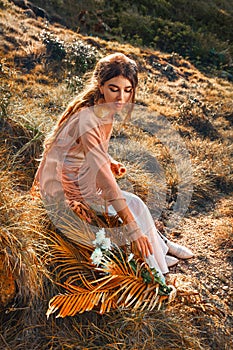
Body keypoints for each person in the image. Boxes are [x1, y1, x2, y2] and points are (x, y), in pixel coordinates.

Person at [33, 52, 193, 281]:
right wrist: (133, 230)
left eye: (128, 90)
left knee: (134, 203)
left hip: (81, 181)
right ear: (100, 85)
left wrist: (109, 161)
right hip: (66, 193)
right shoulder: (88, 117)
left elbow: (89, 151)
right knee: (132, 205)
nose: (121, 97)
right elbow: (105, 180)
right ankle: (155, 265)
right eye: (114, 88)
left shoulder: (100, 108)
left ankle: (158, 251)